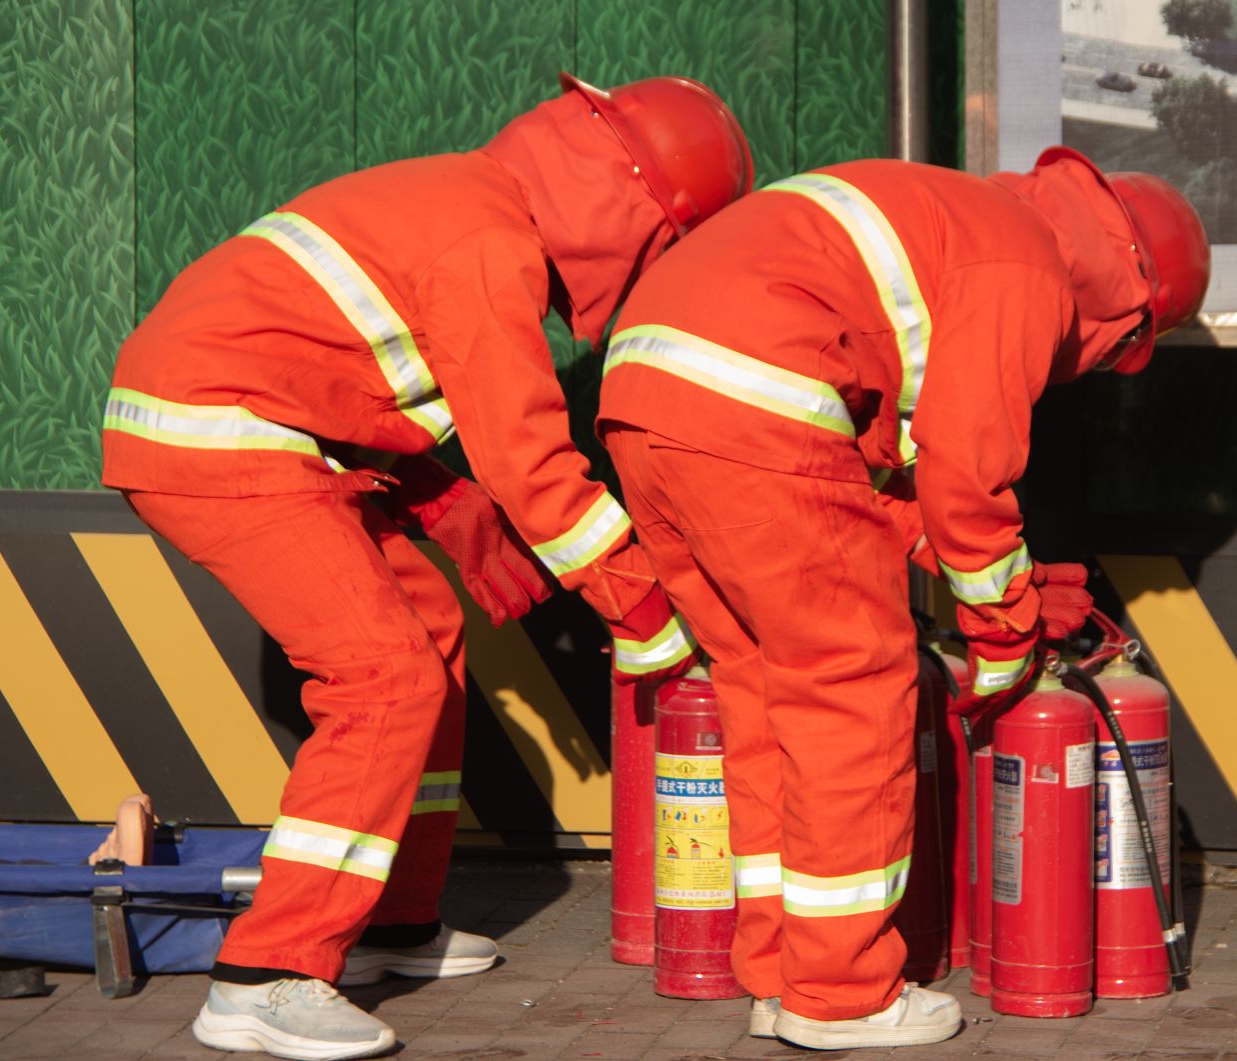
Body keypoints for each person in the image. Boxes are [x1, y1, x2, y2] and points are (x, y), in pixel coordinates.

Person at [102, 74, 751, 1061]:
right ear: (631, 213)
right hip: (222, 436)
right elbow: (534, 466)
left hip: (251, 425)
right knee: (385, 677)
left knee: (431, 635)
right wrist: (651, 621)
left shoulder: (469, 202)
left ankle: (387, 921)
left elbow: (337, 363)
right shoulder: (486, 242)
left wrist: (442, 499)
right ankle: (267, 975)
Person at [595, 148, 1210, 1049]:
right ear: (1127, 309)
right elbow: (966, 473)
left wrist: (1003, 581)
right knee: (855, 685)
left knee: (763, 689)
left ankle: (781, 973)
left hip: (647, 396)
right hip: (758, 395)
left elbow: (861, 490)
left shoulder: (959, 225)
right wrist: (1007, 632)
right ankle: (841, 995)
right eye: (1117, 352)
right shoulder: (1026, 263)